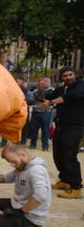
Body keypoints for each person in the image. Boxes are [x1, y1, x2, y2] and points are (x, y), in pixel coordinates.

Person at [43, 66, 84, 199]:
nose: (68, 77)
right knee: (58, 154)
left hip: (74, 126)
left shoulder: (80, 86)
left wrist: (50, 102)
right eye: (65, 76)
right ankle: (65, 180)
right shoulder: (61, 89)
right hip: (61, 125)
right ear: (61, 78)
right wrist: (42, 89)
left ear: (75, 75)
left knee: (70, 155)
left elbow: (69, 97)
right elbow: (47, 96)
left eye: (70, 75)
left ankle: (76, 187)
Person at [28, 77, 53, 151]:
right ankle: (33, 144)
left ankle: (45, 146)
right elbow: (32, 101)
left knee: (45, 130)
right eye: (41, 82)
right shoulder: (35, 91)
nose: (44, 83)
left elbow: (50, 101)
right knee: (34, 130)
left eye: (47, 81)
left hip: (46, 113)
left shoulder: (52, 91)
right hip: (36, 113)